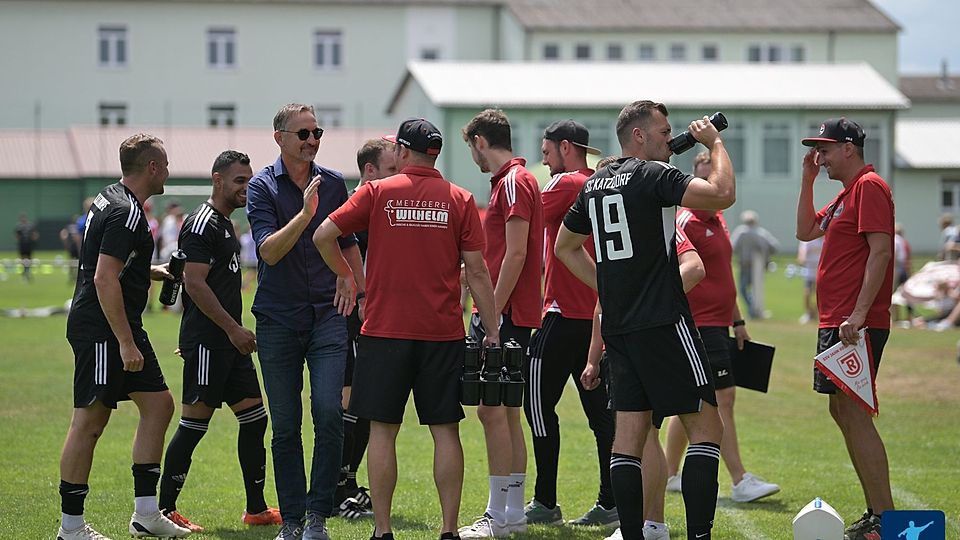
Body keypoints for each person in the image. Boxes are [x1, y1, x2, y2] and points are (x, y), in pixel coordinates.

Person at [555, 100, 734, 540]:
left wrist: (610, 288)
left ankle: (634, 535)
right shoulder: (653, 175)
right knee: (707, 429)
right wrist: (714, 143)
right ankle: (699, 535)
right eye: (662, 132)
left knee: (628, 438)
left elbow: (564, 246)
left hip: (620, 326)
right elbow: (722, 194)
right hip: (664, 321)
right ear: (638, 136)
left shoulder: (595, 184)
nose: (668, 140)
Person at [314, 117, 500, 540]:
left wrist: (346, 276)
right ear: (435, 153)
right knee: (445, 430)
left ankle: (382, 531)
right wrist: (491, 329)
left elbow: (323, 235)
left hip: (384, 331)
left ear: (401, 151)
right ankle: (449, 530)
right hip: (442, 333)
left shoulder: (377, 192)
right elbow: (477, 271)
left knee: (382, 430)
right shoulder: (460, 198)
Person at [58, 133, 190, 540]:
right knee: (90, 421)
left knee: (159, 406)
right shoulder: (125, 213)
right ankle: (71, 527)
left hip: (119, 324)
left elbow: (112, 262)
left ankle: (146, 514)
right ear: (151, 167)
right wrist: (125, 343)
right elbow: (102, 278)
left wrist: (155, 271)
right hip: (103, 327)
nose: (168, 171)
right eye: (164, 164)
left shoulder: (112, 198)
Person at [246, 103, 364, 540]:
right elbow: (269, 252)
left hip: (327, 316)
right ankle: (292, 521)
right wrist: (304, 216)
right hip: (277, 319)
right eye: (303, 134)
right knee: (286, 424)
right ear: (279, 138)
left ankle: (317, 516)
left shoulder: (334, 182)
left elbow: (348, 242)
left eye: (317, 132)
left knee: (330, 412)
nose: (312, 140)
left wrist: (358, 285)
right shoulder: (261, 187)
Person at [157, 150, 281, 532]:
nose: (246, 187)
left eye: (249, 180)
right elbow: (193, 284)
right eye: (239, 181)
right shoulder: (201, 224)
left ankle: (256, 508)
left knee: (255, 420)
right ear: (217, 180)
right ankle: (163, 511)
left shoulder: (226, 223)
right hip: (214, 342)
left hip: (228, 343)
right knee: (194, 426)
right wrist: (230, 330)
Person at [798, 117, 895, 540]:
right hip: (838, 322)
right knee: (841, 410)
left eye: (826, 150)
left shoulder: (869, 187)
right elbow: (804, 232)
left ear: (849, 149)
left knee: (855, 413)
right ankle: (876, 514)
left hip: (854, 324)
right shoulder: (844, 196)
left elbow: (881, 252)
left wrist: (858, 315)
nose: (820, 157)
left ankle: (886, 521)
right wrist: (807, 180)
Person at [664, 151, 780, 506]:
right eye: (703, 179)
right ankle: (739, 479)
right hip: (699, 324)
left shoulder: (719, 219)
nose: (710, 185)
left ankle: (670, 473)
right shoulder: (686, 222)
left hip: (720, 322)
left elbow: (723, 275)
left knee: (694, 399)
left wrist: (738, 320)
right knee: (722, 400)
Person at [521, 120, 618, 529]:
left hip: (562, 315)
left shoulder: (566, 183)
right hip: (594, 317)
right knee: (601, 416)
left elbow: (518, 212)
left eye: (546, 155)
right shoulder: (595, 183)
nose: (546, 164)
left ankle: (545, 500)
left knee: (537, 405)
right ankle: (609, 501)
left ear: (565, 148)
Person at [459, 109, 544, 538]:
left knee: (492, 411)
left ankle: (498, 515)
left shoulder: (512, 182)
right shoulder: (515, 180)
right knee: (508, 413)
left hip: (505, 315)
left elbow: (516, 254)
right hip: (510, 313)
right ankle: (512, 514)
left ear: (479, 142)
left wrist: (491, 317)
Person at [602, 220, 707, 540]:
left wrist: (647, 302)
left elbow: (694, 267)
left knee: (644, 433)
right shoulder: (617, 216)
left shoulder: (659, 219)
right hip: (631, 337)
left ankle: (642, 526)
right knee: (647, 433)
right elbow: (602, 294)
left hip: (655, 337)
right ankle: (654, 523)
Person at [334, 138, 397, 519]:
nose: (398, 176)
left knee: (365, 404)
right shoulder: (353, 209)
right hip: (349, 315)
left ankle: (349, 483)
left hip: (378, 316)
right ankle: (338, 488)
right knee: (349, 401)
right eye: (392, 169)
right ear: (370, 171)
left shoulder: (384, 205)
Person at [730, 210, 779, 319]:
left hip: (745, 265)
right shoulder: (762, 233)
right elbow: (774, 246)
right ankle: (755, 309)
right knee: (756, 290)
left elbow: (732, 247)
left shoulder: (741, 232)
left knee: (743, 289)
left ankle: (753, 309)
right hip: (759, 266)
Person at [797, 238, 823, 324]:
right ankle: (808, 313)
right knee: (807, 293)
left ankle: (816, 313)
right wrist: (802, 259)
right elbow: (802, 254)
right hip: (809, 271)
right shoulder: (808, 240)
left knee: (820, 294)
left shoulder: (826, 238)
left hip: (822, 271)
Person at [14, 213, 39, 282]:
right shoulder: (19, 226)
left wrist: (34, 239)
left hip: (29, 245)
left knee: (29, 258)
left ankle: (27, 271)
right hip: (22, 245)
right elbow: (17, 236)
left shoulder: (30, 226)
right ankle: (25, 271)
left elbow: (35, 234)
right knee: (23, 258)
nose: (23, 220)